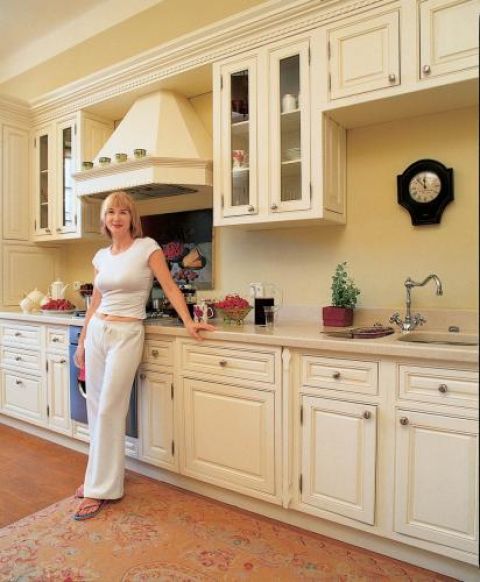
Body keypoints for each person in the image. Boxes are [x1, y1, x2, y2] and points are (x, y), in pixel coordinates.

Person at [73, 191, 215, 520]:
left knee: (110, 408)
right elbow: (95, 302)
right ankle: (97, 478)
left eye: (123, 212)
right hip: (98, 332)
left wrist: (189, 321)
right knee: (96, 408)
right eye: (111, 212)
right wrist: (81, 341)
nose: (116, 217)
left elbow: (170, 287)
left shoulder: (147, 247)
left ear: (131, 218)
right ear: (104, 219)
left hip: (127, 333)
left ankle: (100, 488)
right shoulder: (100, 256)